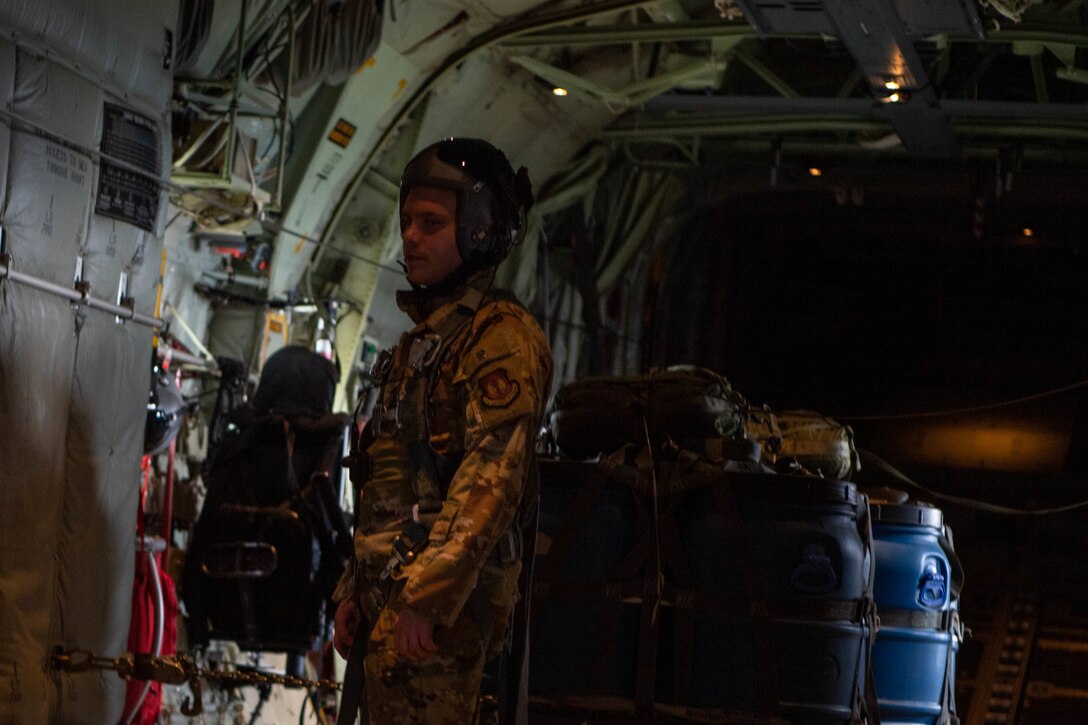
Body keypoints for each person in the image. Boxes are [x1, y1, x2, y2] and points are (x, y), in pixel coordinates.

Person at [331, 137, 553, 724]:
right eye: (407, 221)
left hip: (441, 618)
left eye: (431, 223)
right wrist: (355, 588)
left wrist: (427, 599)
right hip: (396, 598)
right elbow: (390, 484)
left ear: (481, 231)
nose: (410, 237)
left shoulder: (500, 338)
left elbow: (490, 481)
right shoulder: (426, 341)